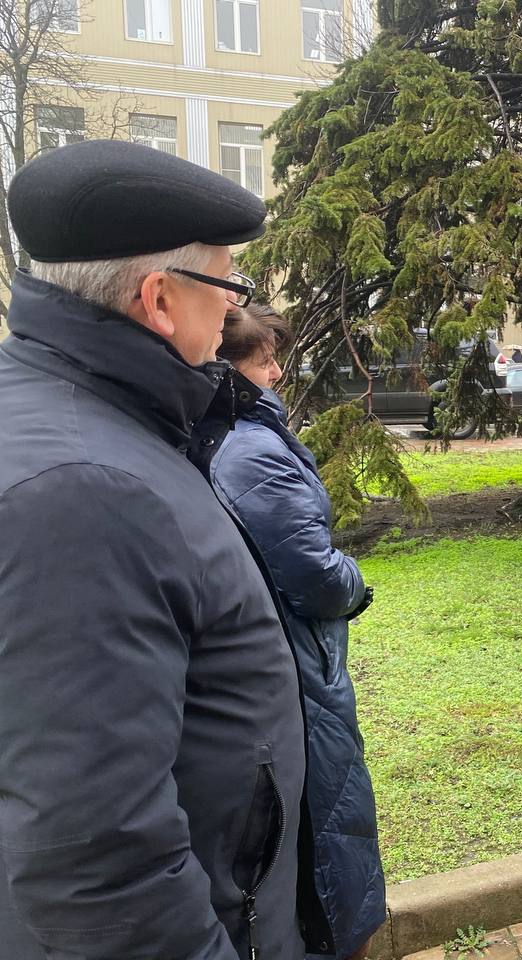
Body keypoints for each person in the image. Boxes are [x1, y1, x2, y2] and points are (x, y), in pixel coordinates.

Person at [0, 139, 315, 958]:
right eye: (228, 287)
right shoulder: (85, 487)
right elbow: (97, 864)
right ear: (161, 300)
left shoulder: (68, 418)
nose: (235, 312)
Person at [202, 304, 385, 960]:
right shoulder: (252, 452)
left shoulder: (228, 435)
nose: (279, 370)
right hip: (300, 664)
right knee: (328, 820)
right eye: (263, 360)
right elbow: (314, 573)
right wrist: (357, 583)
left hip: (282, 656)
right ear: (228, 372)